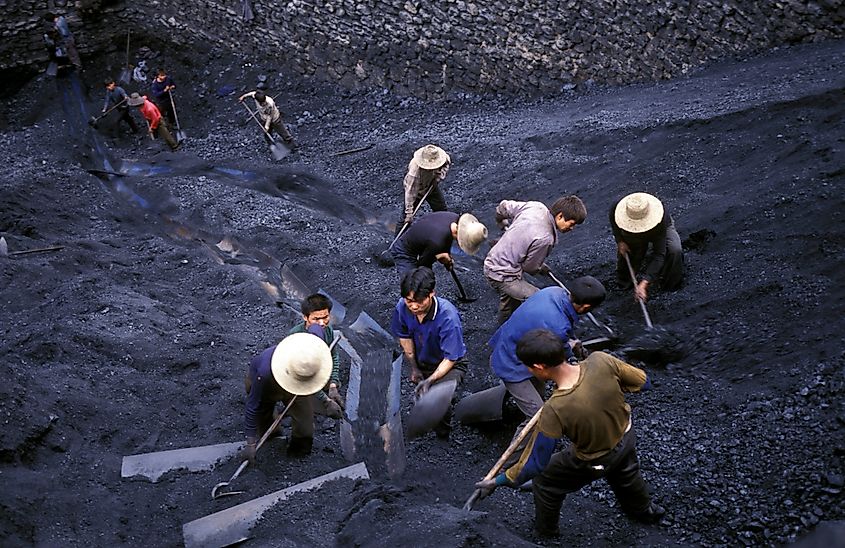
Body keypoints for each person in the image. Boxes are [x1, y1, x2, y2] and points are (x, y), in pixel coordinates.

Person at [476, 329, 665, 537]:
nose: (528, 371)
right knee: (626, 471)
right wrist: (606, 394)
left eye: (528, 367)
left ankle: (546, 532)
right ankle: (644, 511)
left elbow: (535, 464)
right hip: (627, 435)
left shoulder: (555, 409)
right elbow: (642, 382)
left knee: (545, 480)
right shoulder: (601, 360)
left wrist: (498, 481)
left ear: (540, 366)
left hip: (597, 458)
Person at [489, 277, 605, 460]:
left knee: (539, 393)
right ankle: (510, 461)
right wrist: (573, 357)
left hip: (514, 344)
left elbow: (563, 333)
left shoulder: (554, 292)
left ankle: (531, 423)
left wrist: (570, 341)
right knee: (538, 417)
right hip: (512, 363)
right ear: (585, 307)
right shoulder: (557, 326)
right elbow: (559, 349)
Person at [390, 267, 468, 438]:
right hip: (424, 356)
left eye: (419, 301)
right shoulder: (403, 307)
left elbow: (451, 357)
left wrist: (431, 380)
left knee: (439, 398)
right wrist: (414, 368)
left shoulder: (448, 318)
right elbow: (404, 337)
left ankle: (443, 434)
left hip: (450, 362)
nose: (414, 306)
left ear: (432, 293)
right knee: (424, 391)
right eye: (409, 300)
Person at [483, 195, 587, 323]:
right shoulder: (546, 238)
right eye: (571, 224)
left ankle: (505, 323)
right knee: (541, 299)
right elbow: (529, 268)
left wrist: (501, 221)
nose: (572, 229)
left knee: (510, 301)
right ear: (560, 216)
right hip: (502, 274)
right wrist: (539, 267)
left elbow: (503, 207)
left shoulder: (535, 207)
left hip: (493, 260)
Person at [243, 332, 333, 461]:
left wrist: (326, 400)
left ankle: (298, 453)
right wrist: (250, 443)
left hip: (297, 384)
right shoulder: (264, 373)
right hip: (267, 383)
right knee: (264, 420)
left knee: (305, 423)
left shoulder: (309, 358)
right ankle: (273, 441)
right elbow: (252, 405)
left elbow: (313, 384)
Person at [610, 192, 684, 302]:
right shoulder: (618, 207)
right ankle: (624, 282)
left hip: (660, 229)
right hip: (630, 231)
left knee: (674, 250)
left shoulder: (659, 217)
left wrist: (644, 283)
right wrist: (620, 241)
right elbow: (614, 223)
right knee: (628, 251)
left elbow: (659, 254)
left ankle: (670, 285)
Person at [287, 294, 344, 419]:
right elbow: (303, 377)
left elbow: (334, 356)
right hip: (298, 377)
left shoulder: (328, 330)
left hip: (316, 368)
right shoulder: (295, 338)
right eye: (316, 319)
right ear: (305, 317)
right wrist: (325, 400)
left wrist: (333, 385)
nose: (322, 323)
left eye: (325, 317)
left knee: (333, 387)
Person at [391, 211, 488, 276]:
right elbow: (423, 265)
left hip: (421, 237)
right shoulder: (438, 242)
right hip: (403, 251)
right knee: (413, 283)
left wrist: (445, 256)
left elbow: (443, 240)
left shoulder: (453, 218)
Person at [396, 145, 451, 236]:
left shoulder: (443, 158)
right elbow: (410, 193)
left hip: (431, 185)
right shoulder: (414, 173)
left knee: (441, 209)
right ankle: (397, 241)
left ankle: (442, 232)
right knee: (405, 220)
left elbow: (446, 165)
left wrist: (438, 177)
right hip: (417, 191)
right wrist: (409, 212)